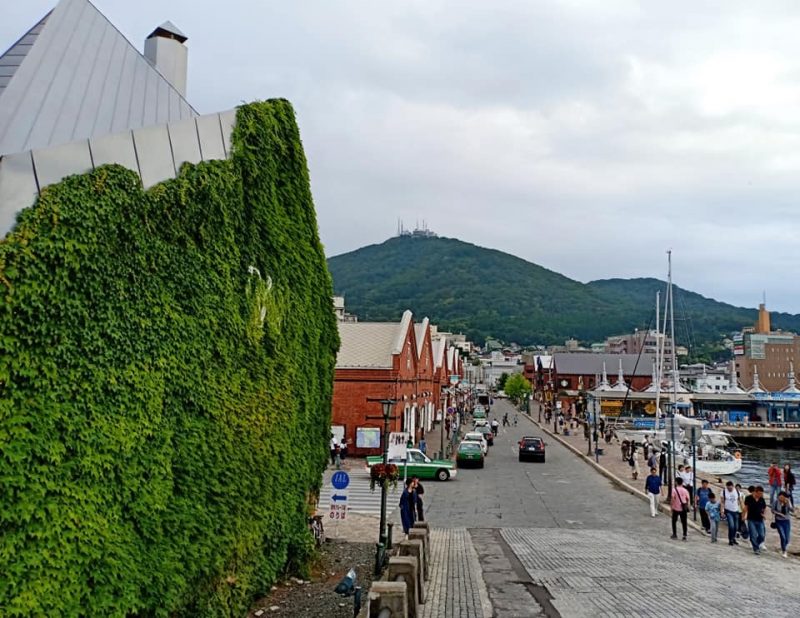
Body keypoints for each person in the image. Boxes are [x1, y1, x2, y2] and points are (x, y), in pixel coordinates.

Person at [743, 485, 767, 555]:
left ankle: (756, 543)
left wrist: (764, 514)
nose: (760, 495)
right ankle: (756, 548)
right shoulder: (748, 498)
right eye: (759, 494)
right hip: (751, 519)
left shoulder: (762, 499)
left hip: (760, 519)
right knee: (753, 534)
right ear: (755, 492)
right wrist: (743, 516)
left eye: (761, 494)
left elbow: (764, 508)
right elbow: (745, 508)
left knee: (762, 535)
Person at [772, 490, 794, 558]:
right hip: (779, 521)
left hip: (787, 521)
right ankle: (784, 551)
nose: (780, 498)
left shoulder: (787, 501)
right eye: (779, 497)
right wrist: (779, 514)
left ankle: (783, 546)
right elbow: (772, 510)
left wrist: (788, 503)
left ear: (785, 497)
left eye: (782, 497)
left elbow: (792, 510)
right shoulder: (776, 502)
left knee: (787, 538)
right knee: (782, 536)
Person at [721, 481, 742, 546]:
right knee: (731, 526)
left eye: (730, 488)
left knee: (736, 527)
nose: (729, 489)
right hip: (728, 511)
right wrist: (722, 511)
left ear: (733, 486)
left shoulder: (737, 492)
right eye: (728, 488)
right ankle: (730, 539)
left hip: (736, 511)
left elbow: (740, 500)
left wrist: (742, 509)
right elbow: (722, 502)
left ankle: (733, 538)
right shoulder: (724, 492)